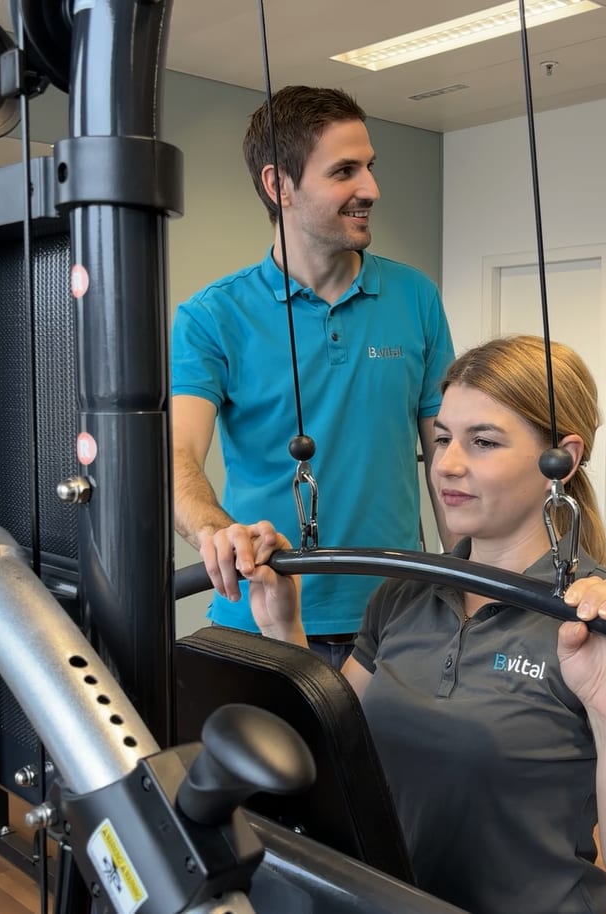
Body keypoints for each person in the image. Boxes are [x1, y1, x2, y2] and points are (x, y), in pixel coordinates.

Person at [221, 336, 606, 914]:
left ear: (563, 459)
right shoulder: (405, 591)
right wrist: (284, 628)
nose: (448, 464)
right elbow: (332, 754)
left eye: (483, 442)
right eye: (443, 438)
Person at [172, 85, 455, 666]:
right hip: (260, 615)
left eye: (370, 167)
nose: (371, 189)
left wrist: (472, 593)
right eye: (345, 171)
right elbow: (176, 455)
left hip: (398, 618)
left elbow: (449, 462)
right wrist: (217, 532)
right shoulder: (211, 316)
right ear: (280, 185)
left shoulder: (415, 297)